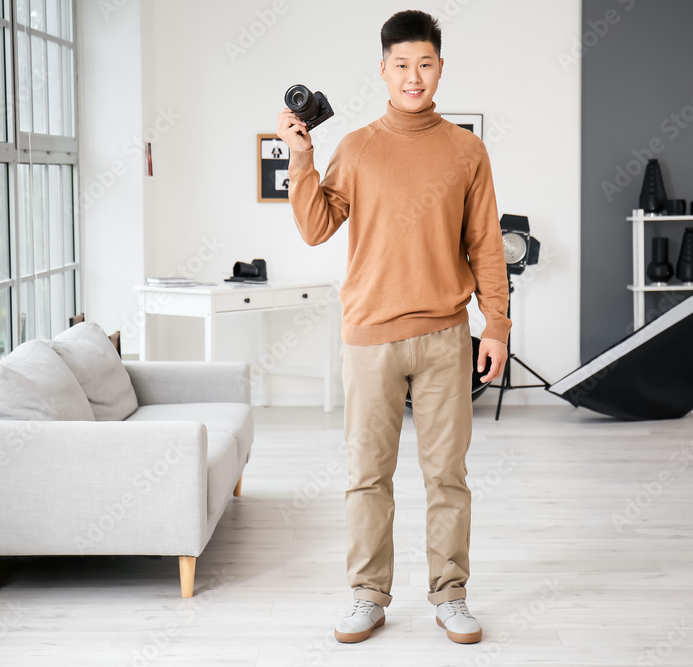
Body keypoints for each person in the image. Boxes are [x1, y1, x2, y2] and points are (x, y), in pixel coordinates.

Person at [276, 9, 510, 646]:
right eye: (402, 65)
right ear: (383, 71)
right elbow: (317, 226)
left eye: (425, 64)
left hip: (444, 337)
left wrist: (497, 326)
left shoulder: (467, 151)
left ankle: (451, 595)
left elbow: (486, 244)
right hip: (369, 337)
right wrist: (302, 157)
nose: (414, 76)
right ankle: (367, 596)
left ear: (440, 68)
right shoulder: (355, 147)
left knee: (448, 477)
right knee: (367, 477)